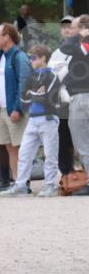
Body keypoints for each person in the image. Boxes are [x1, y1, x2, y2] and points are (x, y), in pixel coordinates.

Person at [1, 45, 61, 197]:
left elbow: (47, 98)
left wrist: (32, 94)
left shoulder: (52, 76)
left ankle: (50, 186)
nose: (31, 60)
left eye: (33, 57)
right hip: (33, 119)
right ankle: (20, 185)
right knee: (24, 153)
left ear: (43, 59)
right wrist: (35, 94)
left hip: (48, 119)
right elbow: (23, 97)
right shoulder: (32, 76)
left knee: (50, 154)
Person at [0, 23, 31, 192]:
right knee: (10, 148)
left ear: (7, 37)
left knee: (20, 148)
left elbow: (25, 84)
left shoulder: (19, 57)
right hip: (2, 109)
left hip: (14, 109)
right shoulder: (0, 57)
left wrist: (19, 108)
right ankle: (17, 183)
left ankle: (24, 184)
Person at [60, 14, 89, 195]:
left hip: (83, 97)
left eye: (75, 27)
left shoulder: (83, 43)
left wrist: (80, 35)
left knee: (83, 143)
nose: (71, 30)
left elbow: (66, 47)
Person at [50, 16, 77, 177]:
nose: (67, 30)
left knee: (80, 139)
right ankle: (67, 173)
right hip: (61, 102)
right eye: (64, 27)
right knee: (63, 139)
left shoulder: (82, 48)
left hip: (78, 98)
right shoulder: (56, 53)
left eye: (69, 27)